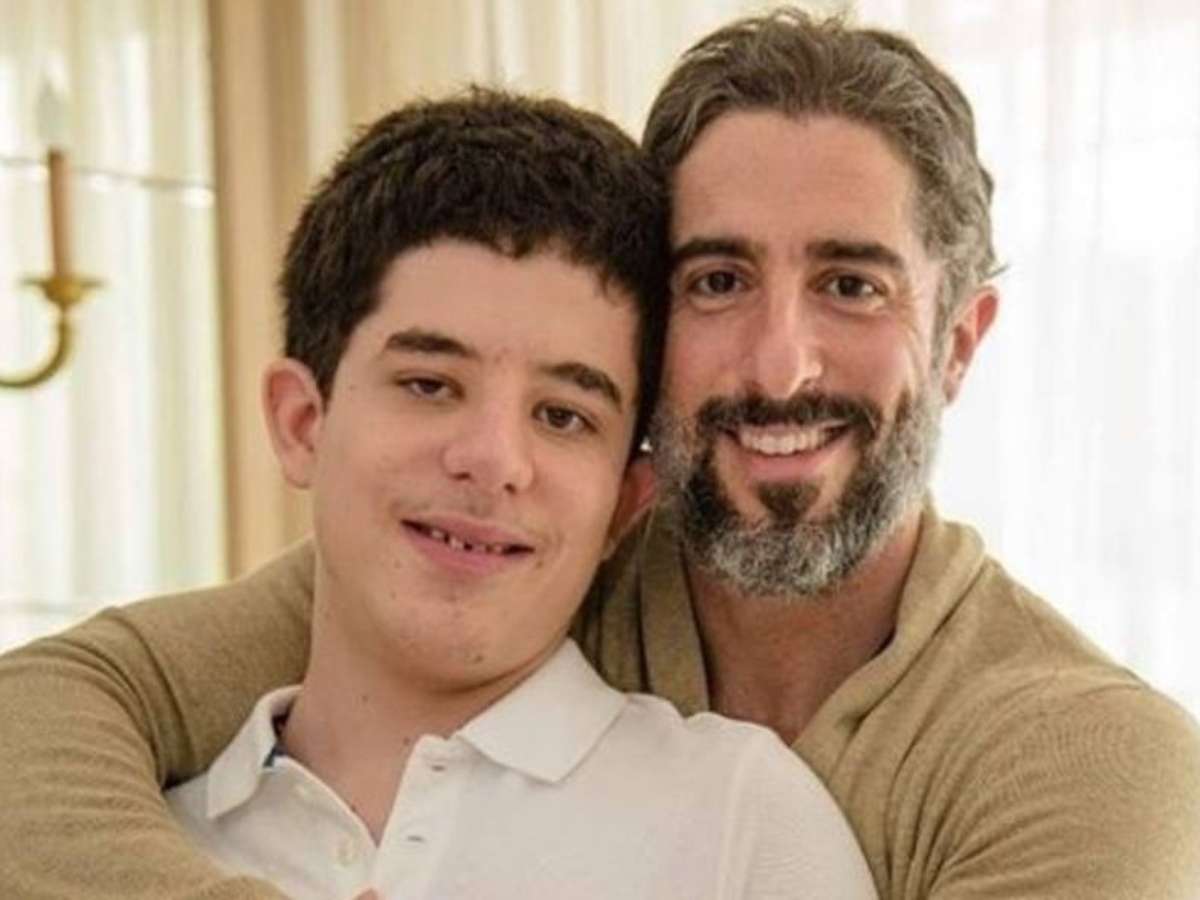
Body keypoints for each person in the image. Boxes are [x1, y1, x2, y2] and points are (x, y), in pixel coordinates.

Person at [1, 7, 1199, 899]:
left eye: (851, 284)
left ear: (958, 341)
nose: (780, 364)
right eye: (718, 280)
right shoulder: (525, 561)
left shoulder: (1086, 759)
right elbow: (51, 708)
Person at [6, 89, 881, 899]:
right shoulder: (122, 843)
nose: (493, 460)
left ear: (624, 502)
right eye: (429, 385)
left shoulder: (739, 823)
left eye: (564, 415)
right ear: (302, 423)